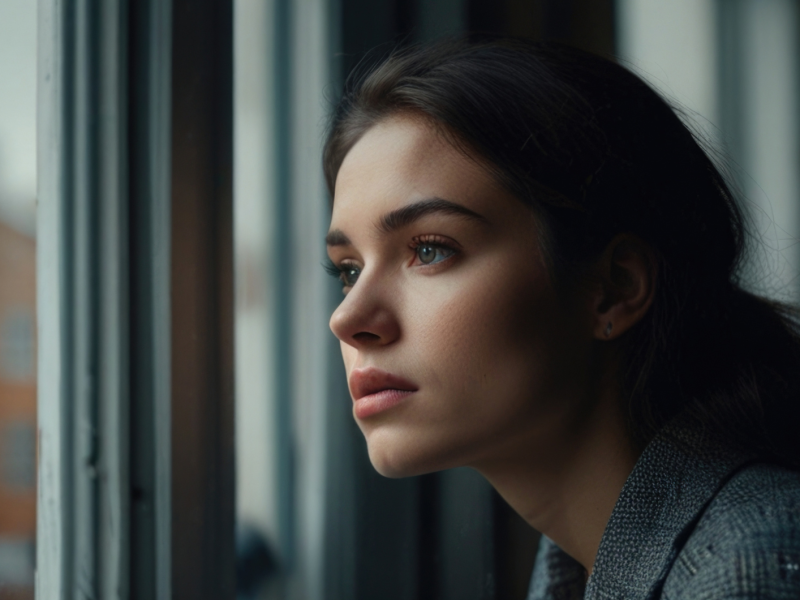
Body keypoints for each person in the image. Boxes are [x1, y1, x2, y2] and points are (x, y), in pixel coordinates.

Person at [322, 38, 800, 599]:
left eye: (429, 249)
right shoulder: (582, 565)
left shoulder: (748, 567)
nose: (348, 319)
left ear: (614, 288)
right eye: (348, 269)